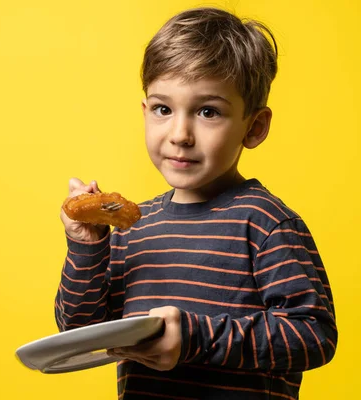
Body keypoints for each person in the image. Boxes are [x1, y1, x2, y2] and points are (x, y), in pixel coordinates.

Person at [55, 7, 337, 400]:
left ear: (254, 127)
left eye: (208, 111)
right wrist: (87, 246)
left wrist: (195, 339)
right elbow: (77, 333)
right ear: (145, 112)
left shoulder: (265, 223)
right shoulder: (131, 226)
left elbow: (313, 335)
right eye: (163, 109)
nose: (180, 134)